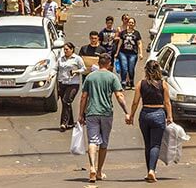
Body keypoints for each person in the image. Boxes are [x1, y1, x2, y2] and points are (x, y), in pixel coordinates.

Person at [78, 53, 129, 183]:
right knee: (104, 143)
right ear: (109, 63)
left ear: (99, 63)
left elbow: (84, 97)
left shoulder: (90, 77)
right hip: (106, 113)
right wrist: (126, 112)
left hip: (91, 113)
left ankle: (92, 167)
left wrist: (80, 114)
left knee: (92, 141)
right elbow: (119, 96)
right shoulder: (112, 77)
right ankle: (99, 171)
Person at [126, 60, 173, 183]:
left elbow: (135, 102)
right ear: (158, 70)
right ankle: (152, 170)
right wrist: (169, 116)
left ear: (146, 70)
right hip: (158, 113)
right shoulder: (163, 84)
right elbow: (167, 102)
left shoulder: (140, 84)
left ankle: (149, 172)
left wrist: (131, 115)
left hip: (145, 114)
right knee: (155, 144)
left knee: (148, 144)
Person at [56, 42, 86, 131]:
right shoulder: (60, 59)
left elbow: (84, 69)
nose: (65, 51)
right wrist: (50, 76)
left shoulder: (77, 59)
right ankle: (70, 122)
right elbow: (55, 68)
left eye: (67, 49)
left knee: (66, 101)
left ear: (72, 49)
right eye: (64, 49)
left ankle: (63, 123)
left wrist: (76, 71)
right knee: (66, 103)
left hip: (73, 83)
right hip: (62, 83)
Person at [115, 17, 143, 89]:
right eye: (130, 22)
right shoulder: (123, 33)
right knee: (124, 67)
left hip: (133, 53)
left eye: (132, 23)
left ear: (134, 24)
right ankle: (123, 82)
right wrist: (117, 53)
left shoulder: (137, 33)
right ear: (127, 23)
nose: (131, 24)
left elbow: (139, 43)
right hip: (123, 52)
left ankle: (131, 82)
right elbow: (120, 43)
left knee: (131, 68)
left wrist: (141, 53)